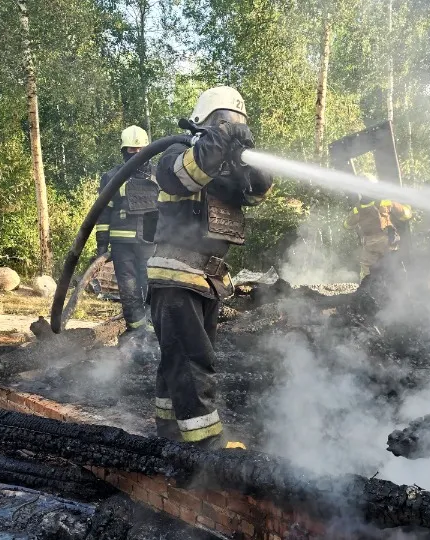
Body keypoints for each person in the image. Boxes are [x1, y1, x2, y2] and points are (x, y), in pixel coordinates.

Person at [146, 86, 273, 449]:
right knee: (192, 362)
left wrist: (250, 157)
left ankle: (170, 436)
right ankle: (206, 448)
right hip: (176, 277)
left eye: (235, 124)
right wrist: (219, 140)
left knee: (177, 359)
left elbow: (257, 192)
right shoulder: (175, 154)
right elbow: (185, 176)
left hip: (208, 279)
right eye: (222, 122)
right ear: (203, 125)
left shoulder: (225, 170)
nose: (229, 128)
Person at [96, 125, 160, 341]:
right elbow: (103, 213)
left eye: (140, 150)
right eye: (131, 151)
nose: (136, 155)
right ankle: (136, 330)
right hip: (122, 245)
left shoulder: (159, 175)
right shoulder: (112, 177)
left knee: (152, 285)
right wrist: (102, 247)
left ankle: (154, 328)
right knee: (128, 288)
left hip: (151, 242)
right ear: (123, 151)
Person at [343, 176, 412, 280]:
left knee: (367, 274)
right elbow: (406, 214)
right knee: (396, 269)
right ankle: (402, 290)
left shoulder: (357, 210)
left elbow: (347, 225)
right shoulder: (386, 202)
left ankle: (367, 292)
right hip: (389, 242)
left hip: (370, 245)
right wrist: (407, 208)